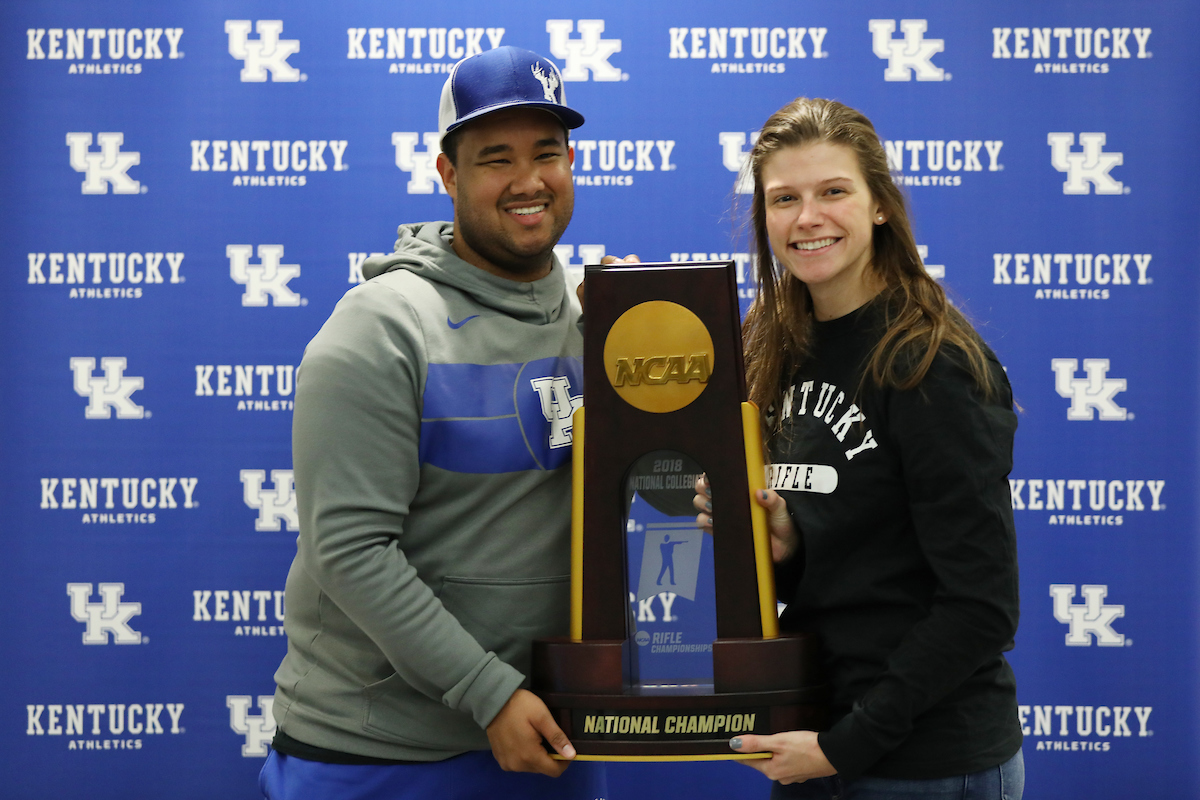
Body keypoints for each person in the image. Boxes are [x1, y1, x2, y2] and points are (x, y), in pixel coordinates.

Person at [260, 46, 608, 800]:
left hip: (545, 735)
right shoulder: (381, 326)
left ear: (571, 162)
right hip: (383, 755)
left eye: (546, 153)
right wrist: (488, 692)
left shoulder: (596, 321)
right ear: (449, 175)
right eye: (495, 158)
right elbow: (351, 549)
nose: (528, 181)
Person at [695, 97, 1024, 799]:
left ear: (880, 205)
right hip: (821, 738)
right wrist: (783, 543)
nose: (807, 217)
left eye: (833, 191)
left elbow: (982, 604)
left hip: (922, 762)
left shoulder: (933, 365)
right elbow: (856, 569)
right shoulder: (778, 348)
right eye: (784, 199)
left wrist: (846, 747)